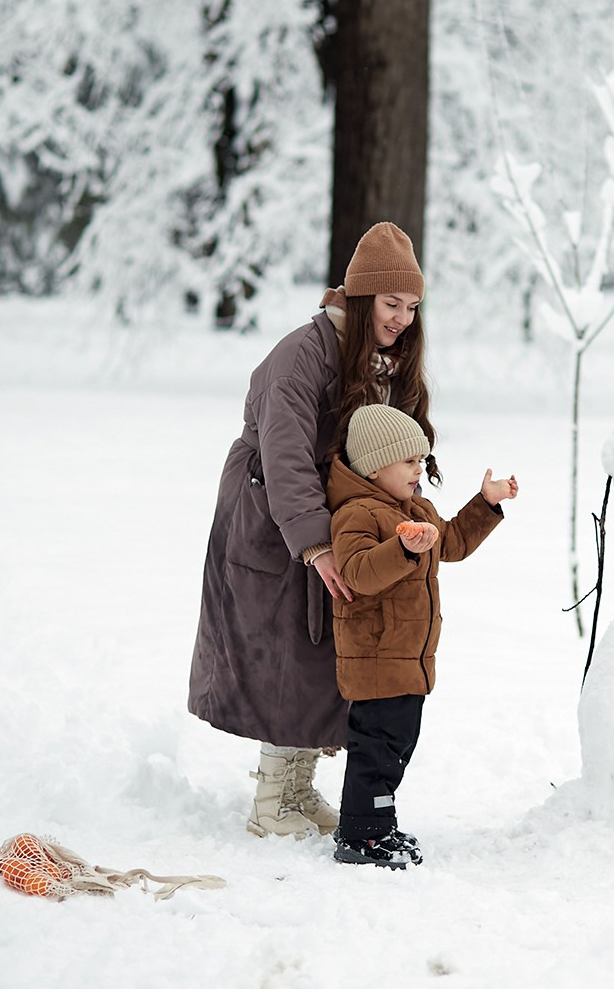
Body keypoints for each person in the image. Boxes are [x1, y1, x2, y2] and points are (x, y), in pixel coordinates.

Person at [188, 222, 438, 840]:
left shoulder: (376, 358)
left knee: (323, 647)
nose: (402, 318)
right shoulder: (302, 354)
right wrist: (316, 543)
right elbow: (286, 457)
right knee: (286, 648)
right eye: (391, 304)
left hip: (324, 515)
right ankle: (271, 799)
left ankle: (299, 789)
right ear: (362, 296)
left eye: (412, 307)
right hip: (270, 512)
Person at [326, 402, 518, 869]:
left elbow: (451, 542)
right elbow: (358, 573)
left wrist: (485, 504)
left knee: (395, 746)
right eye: (409, 461)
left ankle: (376, 824)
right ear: (375, 466)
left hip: (409, 656)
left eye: (422, 460)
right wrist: (402, 548)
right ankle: (362, 835)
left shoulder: (415, 509)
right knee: (377, 748)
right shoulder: (356, 514)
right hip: (376, 655)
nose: (419, 469)